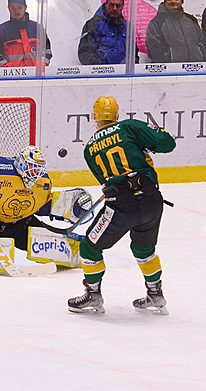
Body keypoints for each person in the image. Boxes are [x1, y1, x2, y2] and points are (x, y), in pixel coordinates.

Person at [67, 96, 176, 315]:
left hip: (122, 206)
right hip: (152, 200)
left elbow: (106, 182)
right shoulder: (130, 126)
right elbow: (168, 144)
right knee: (143, 248)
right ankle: (155, 293)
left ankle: (93, 294)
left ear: (94, 117)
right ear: (117, 115)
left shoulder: (89, 148)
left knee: (89, 247)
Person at [0, 146, 90, 251]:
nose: (36, 173)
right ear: (22, 164)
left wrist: (74, 208)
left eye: (38, 169)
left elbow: (43, 205)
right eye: (32, 167)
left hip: (21, 224)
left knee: (48, 243)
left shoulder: (43, 182)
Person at [0, 0, 52, 68]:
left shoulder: (38, 29)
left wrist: (41, 66)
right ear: (9, 8)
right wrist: (10, 70)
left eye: (19, 7)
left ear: (25, 7)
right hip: (11, 77)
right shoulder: (0, 31)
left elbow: (47, 52)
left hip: (35, 77)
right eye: (13, 8)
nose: (16, 11)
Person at [78, 0, 139, 65]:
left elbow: (133, 53)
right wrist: (100, 69)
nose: (114, 8)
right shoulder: (94, 24)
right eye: (111, 5)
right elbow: (84, 53)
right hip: (102, 73)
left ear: (122, 7)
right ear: (106, 4)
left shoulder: (126, 26)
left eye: (118, 6)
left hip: (124, 73)